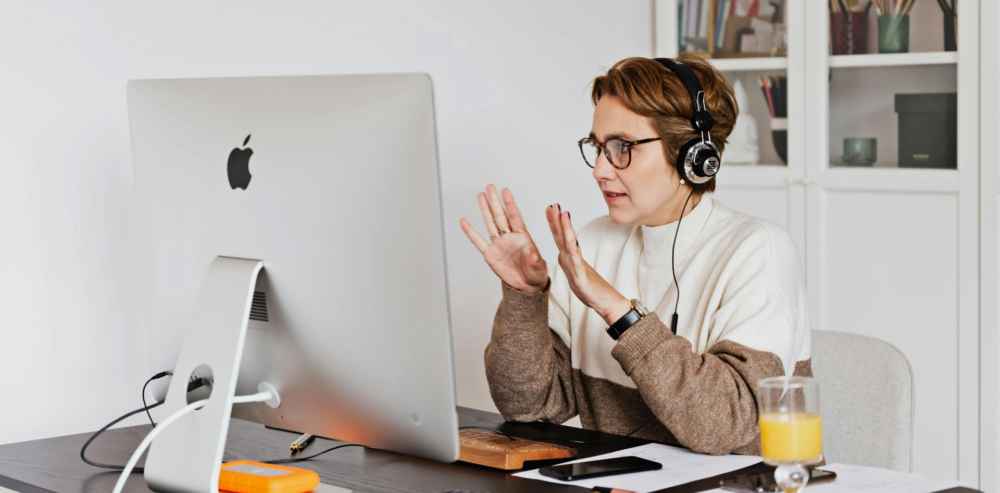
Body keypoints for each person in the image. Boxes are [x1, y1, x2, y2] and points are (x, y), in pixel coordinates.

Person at [458, 54, 810, 456]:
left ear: (691, 155)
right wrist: (524, 297)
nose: (600, 170)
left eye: (622, 147)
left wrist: (618, 310)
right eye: (597, 147)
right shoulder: (592, 242)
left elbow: (724, 427)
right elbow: (529, 405)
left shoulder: (757, 250)